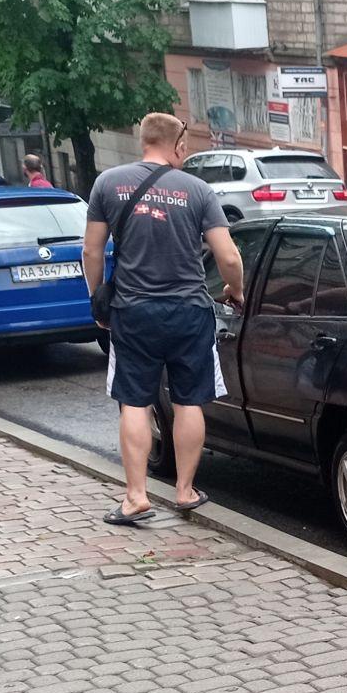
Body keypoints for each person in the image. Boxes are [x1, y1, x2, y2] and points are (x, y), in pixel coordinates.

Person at [83, 112, 245, 526]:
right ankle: (185, 490)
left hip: (133, 312)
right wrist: (236, 291)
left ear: (143, 141)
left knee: (134, 402)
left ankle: (136, 497)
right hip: (189, 311)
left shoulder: (108, 184)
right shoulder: (198, 189)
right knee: (189, 401)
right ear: (178, 146)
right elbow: (227, 256)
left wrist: (98, 300)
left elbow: (91, 252)